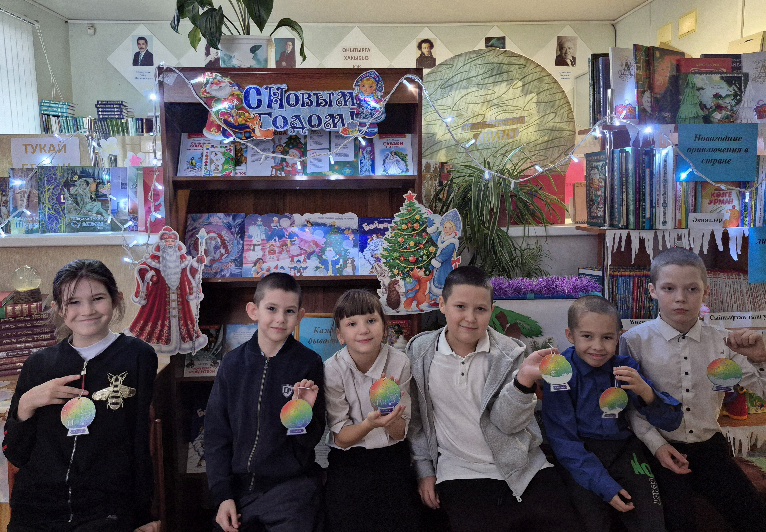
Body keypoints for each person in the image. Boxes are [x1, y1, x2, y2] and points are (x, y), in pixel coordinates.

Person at [407, 265, 584, 532]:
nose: (470, 318)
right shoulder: (420, 351)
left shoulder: (509, 352)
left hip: (522, 466)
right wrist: (424, 470)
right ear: (442, 305)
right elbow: (417, 421)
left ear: (492, 310)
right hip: (460, 471)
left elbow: (508, 424)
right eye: (460, 307)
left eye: (480, 309)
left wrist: (523, 380)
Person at [3, 259, 159, 531]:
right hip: (38, 507)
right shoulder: (39, 365)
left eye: (98, 298)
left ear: (116, 299)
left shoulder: (137, 356)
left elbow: (141, 440)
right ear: (58, 308)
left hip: (106, 509)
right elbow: (15, 453)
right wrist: (26, 404)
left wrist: (145, 514)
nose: (87, 310)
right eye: (73, 302)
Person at [620, 247, 766, 531]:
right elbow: (631, 406)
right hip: (660, 446)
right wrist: (657, 446)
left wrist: (761, 360)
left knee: (753, 515)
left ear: (706, 293)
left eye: (691, 289)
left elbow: (760, 392)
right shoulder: (635, 341)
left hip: (709, 445)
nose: (680, 298)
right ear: (652, 291)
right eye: (669, 288)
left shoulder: (725, 342)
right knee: (678, 520)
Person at [542, 295, 682, 532]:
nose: (598, 347)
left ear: (619, 337)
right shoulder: (560, 372)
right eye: (587, 336)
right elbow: (562, 439)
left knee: (652, 522)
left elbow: (671, 421)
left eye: (607, 337)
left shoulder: (626, 368)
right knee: (591, 522)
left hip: (624, 450)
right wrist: (604, 485)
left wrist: (647, 393)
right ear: (570, 336)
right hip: (580, 454)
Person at [205, 272, 325, 532]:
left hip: (291, 490)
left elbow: (310, 439)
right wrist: (223, 496)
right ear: (253, 311)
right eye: (272, 309)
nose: (280, 318)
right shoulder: (232, 364)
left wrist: (300, 415)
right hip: (238, 492)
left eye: (289, 311)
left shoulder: (308, 363)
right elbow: (216, 434)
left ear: (300, 316)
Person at [323, 289, 421, 531]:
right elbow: (342, 439)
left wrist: (389, 415)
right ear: (340, 335)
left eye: (371, 321)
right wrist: (370, 423)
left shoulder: (399, 362)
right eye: (352, 324)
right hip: (348, 462)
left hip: (392, 458)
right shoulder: (332, 369)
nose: (363, 330)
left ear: (385, 329)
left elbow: (400, 433)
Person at [126, 226, 208, 355]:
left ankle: (183, 341)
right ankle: (159, 342)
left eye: (172, 241)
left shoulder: (182, 259)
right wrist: (150, 276)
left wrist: (197, 262)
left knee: (184, 317)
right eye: (167, 241)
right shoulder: (154, 259)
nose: (170, 243)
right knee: (155, 315)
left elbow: (190, 271)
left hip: (180, 293)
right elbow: (143, 270)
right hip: (159, 295)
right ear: (162, 243)